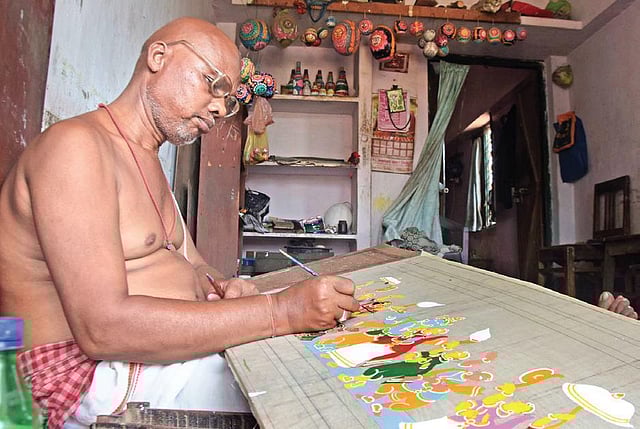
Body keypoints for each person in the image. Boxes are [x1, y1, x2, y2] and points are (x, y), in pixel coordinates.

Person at [0, 17, 359, 429]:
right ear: (159, 57)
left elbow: (195, 265)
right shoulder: (76, 148)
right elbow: (103, 329)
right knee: (310, 387)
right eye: (214, 85)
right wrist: (280, 312)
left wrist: (222, 286)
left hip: (132, 361)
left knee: (326, 357)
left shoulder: (146, 160)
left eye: (228, 99)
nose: (220, 108)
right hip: (81, 376)